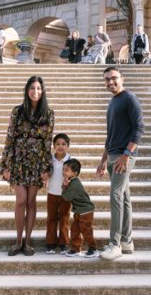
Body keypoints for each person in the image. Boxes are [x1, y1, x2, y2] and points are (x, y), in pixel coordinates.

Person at [0, 76, 54, 256]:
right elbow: (9, 138)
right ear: (27, 90)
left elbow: (48, 142)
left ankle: (28, 242)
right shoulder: (17, 111)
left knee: (31, 201)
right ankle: (18, 240)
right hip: (18, 161)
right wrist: (5, 164)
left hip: (37, 162)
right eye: (32, 88)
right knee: (21, 199)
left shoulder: (48, 114)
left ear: (42, 91)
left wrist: (47, 168)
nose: (34, 92)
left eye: (38, 88)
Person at [96, 67, 144, 261]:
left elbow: (139, 128)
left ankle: (114, 243)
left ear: (122, 79)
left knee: (115, 195)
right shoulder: (112, 102)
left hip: (125, 156)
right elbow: (110, 135)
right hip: (113, 155)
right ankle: (126, 240)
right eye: (107, 79)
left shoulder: (129, 98)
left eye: (114, 78)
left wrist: (126, 155)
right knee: (124, 198)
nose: (110, 82)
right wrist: (102, 160)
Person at [61, 159, 98, 258]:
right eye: (63, 169)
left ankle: (93, 249)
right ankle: (75, 249)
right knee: (75, 230)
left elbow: (66, 197)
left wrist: (64, 187)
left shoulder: (75, 184)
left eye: (66, 170)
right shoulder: (71, 182)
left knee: (86, 231)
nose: (64, 172)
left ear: (75, 173)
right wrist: (65, 186)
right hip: (79, 211)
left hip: (85, 211)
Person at [45, 133, 72, 254]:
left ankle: (64, 243)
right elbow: (45, 173)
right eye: (57, 144)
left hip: (65, 195)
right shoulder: (49, 159)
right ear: (53, 146)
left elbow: (75, 176)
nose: (60, 146)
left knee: (64, 218)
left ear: (68, 146)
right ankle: (50, 243)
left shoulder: (71, 161)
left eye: (63, 144)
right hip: (52, 193)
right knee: (51, 218)